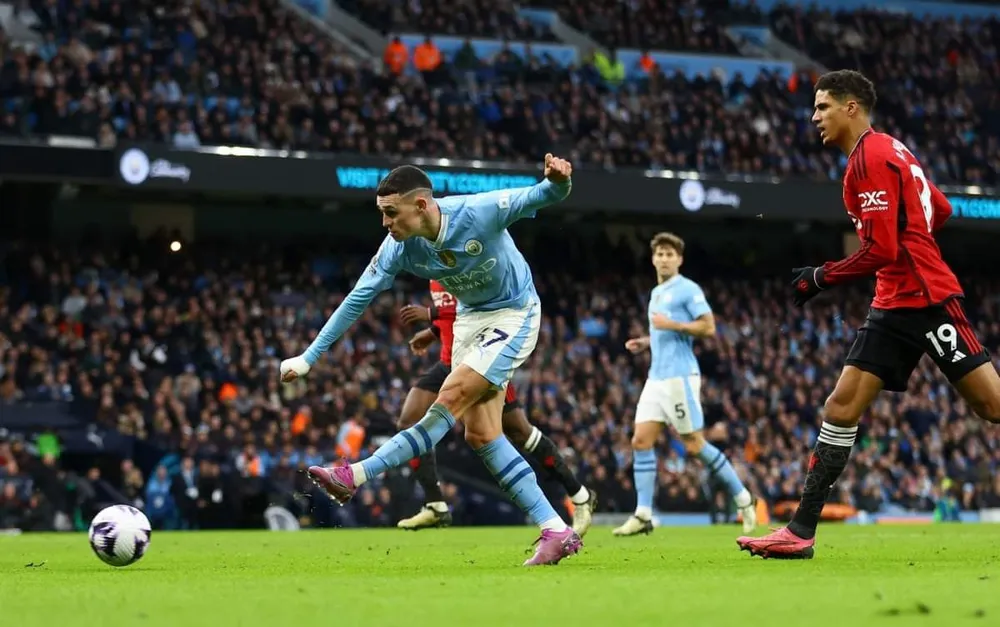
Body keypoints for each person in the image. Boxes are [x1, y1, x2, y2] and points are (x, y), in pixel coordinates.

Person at [738, 70, 1000, 559]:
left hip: (926, 297)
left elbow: (880, 247)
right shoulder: (890, 149)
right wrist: (912, 239)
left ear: (851, 107)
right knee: (840, 408)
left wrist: (821, 277)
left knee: (992, 407)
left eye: (822, 107)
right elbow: (938, 209)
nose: (814, 116)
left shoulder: (870, 159)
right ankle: (799, 529)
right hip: (893, 301)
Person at [280, 154, 584, 566]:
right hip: (468, 321)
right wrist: (309, 356)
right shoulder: (398, 248)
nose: (385, 223)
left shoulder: (480, 211)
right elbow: (357, 299)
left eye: (391, 213)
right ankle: (555, 529)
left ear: (421, 205)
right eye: (382, 214)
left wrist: (559, 179)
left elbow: (545, 194)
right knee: (481, 435)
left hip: (515, 313)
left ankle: (355, 474)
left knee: (450, 396)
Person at [395, 281, 598, 534]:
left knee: (520, 433)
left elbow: (482, 308)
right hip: (449, 362)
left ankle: (579, 494)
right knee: (409, 420)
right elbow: (454, 317)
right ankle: (435, 504)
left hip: (480, 364)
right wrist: (434, 330)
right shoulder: (434, 273)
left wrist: (430, 314)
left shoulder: (464, 262)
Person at [614, 232, 756, 537]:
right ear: (653, 258)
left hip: (680, 378)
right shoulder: (656, 292)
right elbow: (664, 334)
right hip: (656, 377)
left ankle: (743, 499)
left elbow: (708, 327)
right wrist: (646, 341)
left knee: (694, 444)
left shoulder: (687, 289)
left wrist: (673, 325)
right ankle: (643, 514)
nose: (664, 259)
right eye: (660, 254)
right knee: (640, 441)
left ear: (679, 259)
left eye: (670, 254)